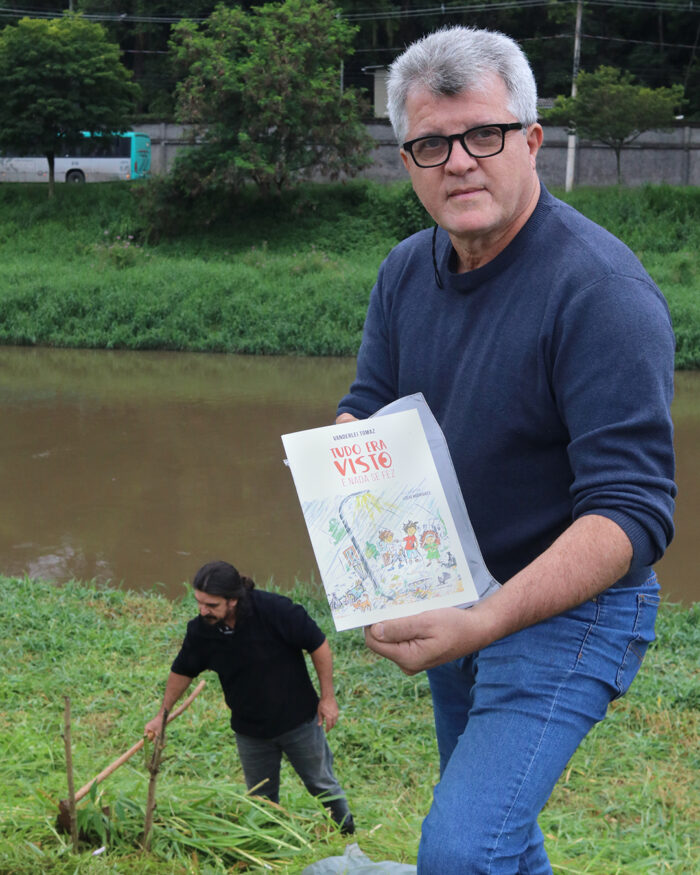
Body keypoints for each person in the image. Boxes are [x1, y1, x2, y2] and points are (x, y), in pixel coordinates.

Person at [336, 25, 675, 874]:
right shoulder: (406, 271)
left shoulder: (600, 292)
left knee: (458, 849)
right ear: (405, 158)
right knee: (497, 831)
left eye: (483, 134)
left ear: (530, 140)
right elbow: (368, 410)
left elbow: (631, 513)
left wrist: (484, 619)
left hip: (575, 606)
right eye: (430, 143)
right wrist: (337, 473)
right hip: (454, 586)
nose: (458, 161)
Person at [144, 560, 354, 834]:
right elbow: (182, 671)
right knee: (259, 796)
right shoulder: (202, 631)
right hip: (250, 730)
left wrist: (328, 698)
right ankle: (269, 840)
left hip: (298, 721)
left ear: (232, 600)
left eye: (211, 605)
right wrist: (162, 715)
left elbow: (318, 645)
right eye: (199, 602)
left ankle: (346, 833)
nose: (202, 610)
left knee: (321, 783)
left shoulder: (274, 610)